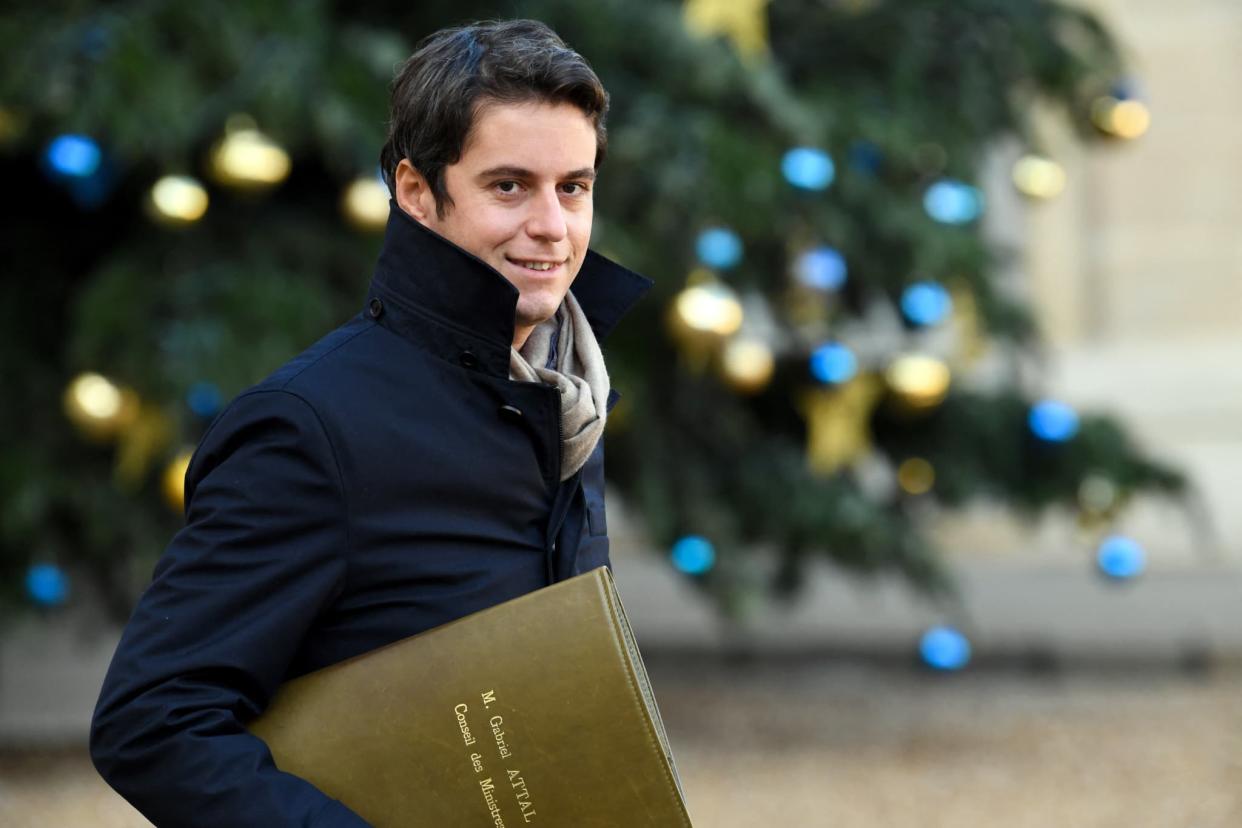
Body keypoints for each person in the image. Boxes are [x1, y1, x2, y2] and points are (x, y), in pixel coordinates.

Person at [90, 19, 651, 827]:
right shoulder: (308, 429)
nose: (553, 227)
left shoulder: (570, 402)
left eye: (573, 186)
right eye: (508, 186)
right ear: (418, 194)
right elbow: (152, 720)